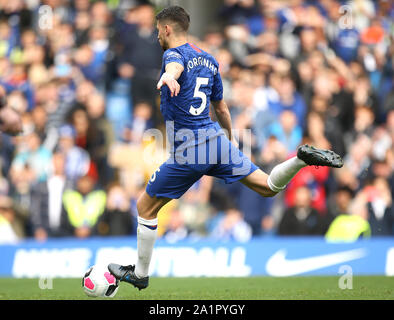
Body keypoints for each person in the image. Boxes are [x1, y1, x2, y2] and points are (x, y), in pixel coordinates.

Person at [108, 6, 343, 291]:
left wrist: (170, 76)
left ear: (167, 29)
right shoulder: (209, 60)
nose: (157, 35)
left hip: (189, 149)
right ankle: (300, 159)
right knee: (268, 186)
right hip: (215, 140)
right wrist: (230, 139)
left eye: (158, 30)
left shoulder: (172, 55)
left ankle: (141, 275)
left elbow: (175, 66)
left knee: (145, 207)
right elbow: (221, 106)